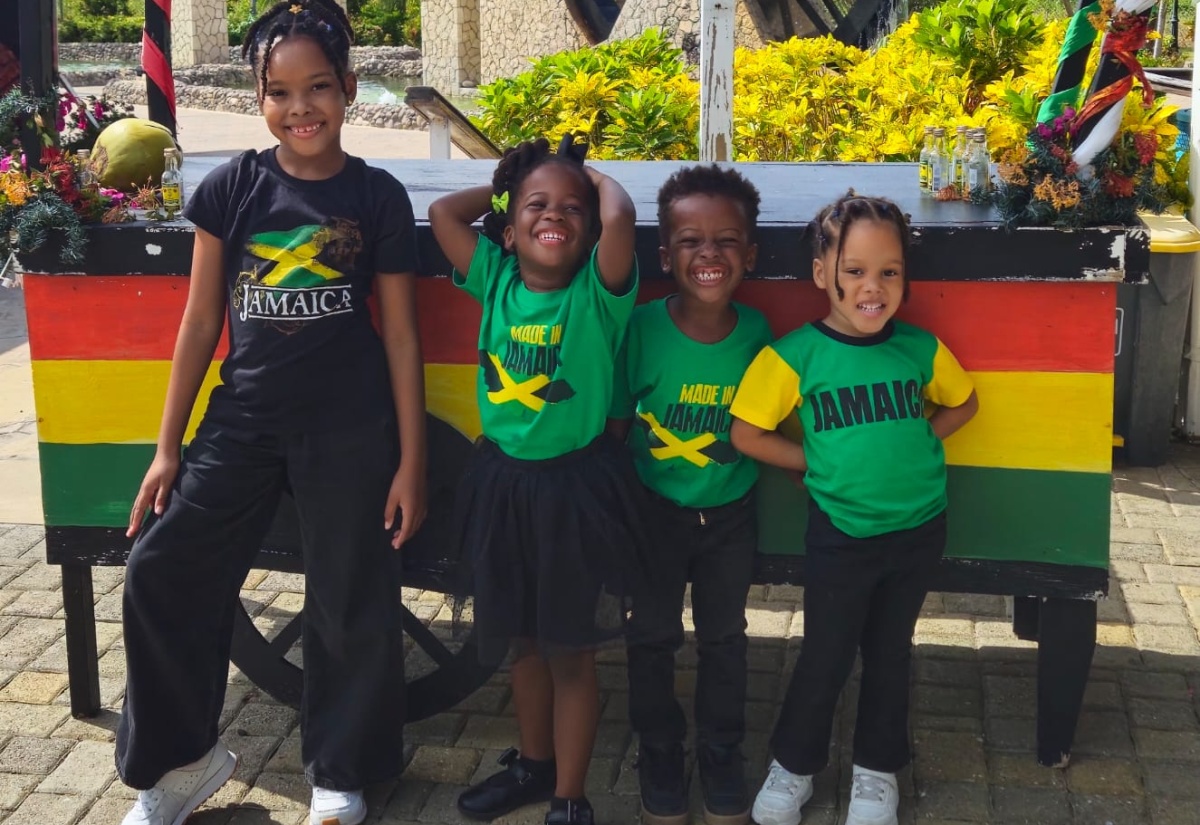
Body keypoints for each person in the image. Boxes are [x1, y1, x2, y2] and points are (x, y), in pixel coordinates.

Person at [115, 3, 427, 825]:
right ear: (258, 97)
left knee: (348, 593)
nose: (302, 109)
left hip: (350, 427)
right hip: (241, 421)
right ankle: (181, 759)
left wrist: (411, 460)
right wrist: (167, 447)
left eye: (318, 87)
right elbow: (199, 322)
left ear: (351, 89)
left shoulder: (377, 194)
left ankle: (342, 768)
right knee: (159, 568)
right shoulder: (233, 187)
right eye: (280, 92)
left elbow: (400, 336)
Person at [729, 193, 979, 825]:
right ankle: (793, 766)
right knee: (827, 653)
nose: (873, 287)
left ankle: (876, 772)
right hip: (840, 535)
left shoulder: (920, 349)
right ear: (822, 275)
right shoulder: (792, 357)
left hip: (919, 530)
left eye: (889, 271)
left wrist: (923, 439)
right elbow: (746, 433)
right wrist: (812, 462)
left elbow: (963, 403)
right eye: (855, 271)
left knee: (891, 652)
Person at [428, 135, 645, 825]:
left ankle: (570, 796)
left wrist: (583, 174)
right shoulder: (492, 276)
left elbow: (619, 215)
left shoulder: (597, 296)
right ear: (510, 227)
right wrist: (509, 185)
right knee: (520, 641)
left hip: (573, 493)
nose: (556, 216)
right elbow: (441, 215)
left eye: (570, 208)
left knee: (569, 649)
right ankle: (534, 763)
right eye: (537, 207)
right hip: (501, 485)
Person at [608, 165, 772, 825]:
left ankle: (722, 749)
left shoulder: (760, 336)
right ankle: (659, 746)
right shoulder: (641, 330)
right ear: (664, 254)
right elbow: (618, 426)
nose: (709, 254)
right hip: (653, 513)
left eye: (727, 240)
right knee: (649, 635)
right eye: (691, 241)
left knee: (725, 637)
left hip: (730, 514)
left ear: (751, 254)